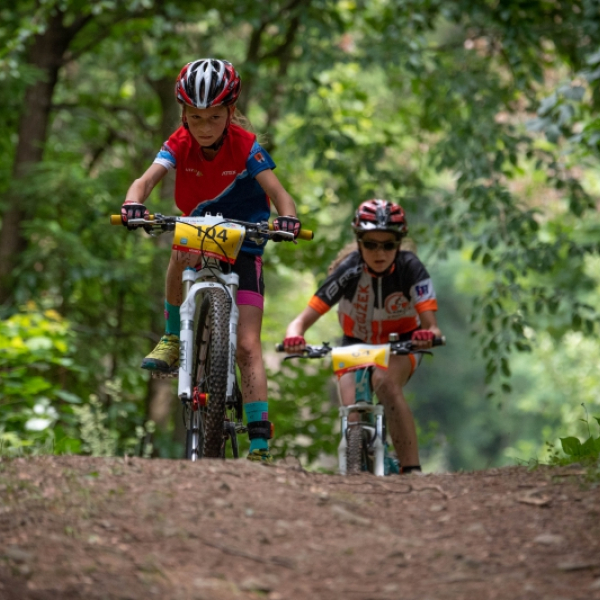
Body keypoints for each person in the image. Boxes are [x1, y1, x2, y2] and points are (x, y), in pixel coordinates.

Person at [121, 59, 301, 463]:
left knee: (248, 345)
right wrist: (133, 203)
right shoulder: (177, 143)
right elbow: (146, 179)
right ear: (183, 113)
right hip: (197, 230)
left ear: (230, 112)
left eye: (214, 117)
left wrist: (287, 217)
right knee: (178, 250)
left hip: (245, 239)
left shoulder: (247, 146)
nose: (204, 126)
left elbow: (279, 192)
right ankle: (171, 336)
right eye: (195, 117)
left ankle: (259, 443)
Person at [283, 199, 441, 474]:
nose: (379, 253)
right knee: (352, 413)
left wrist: (428, 334)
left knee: (385, 382)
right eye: (370, 244)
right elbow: (301, 321)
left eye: (388, 245)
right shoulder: (349, 270)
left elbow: (431, 325)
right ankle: (356, 470)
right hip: (355, 344)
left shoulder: (410, 268)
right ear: (359, 243)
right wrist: (294, 336)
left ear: (399, 244)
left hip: (401, 343)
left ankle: (412, 471)